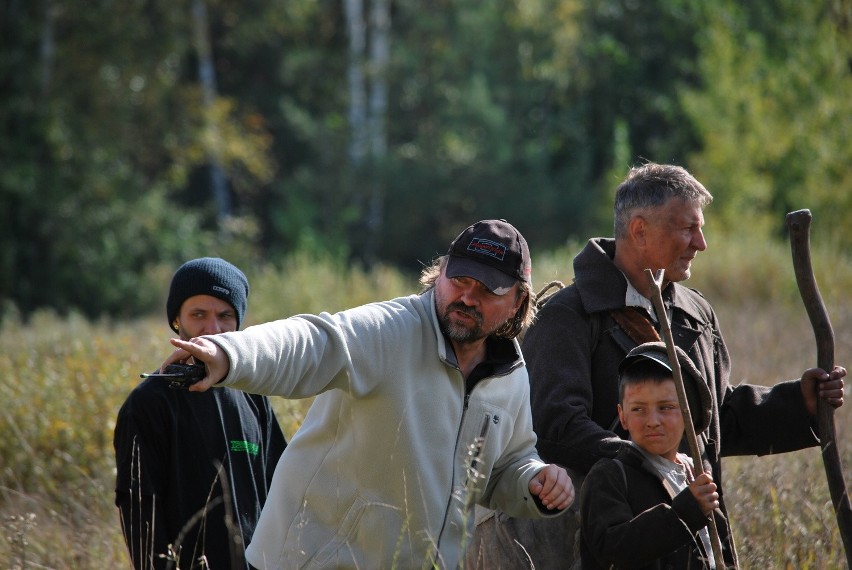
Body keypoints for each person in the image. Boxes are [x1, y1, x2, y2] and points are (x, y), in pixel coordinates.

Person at [466, 162, 845, 569]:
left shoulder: (694, 312)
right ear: (640, 230)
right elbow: (557, 426)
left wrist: (798, 403)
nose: (700, 243)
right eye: (686, 229)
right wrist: (654, 463)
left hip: (687, 537)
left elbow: (711, 421)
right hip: (595, 541)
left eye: (699, 229)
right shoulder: (567, 316)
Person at [157, 219, 575, 570]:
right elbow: (311, 342)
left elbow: (501, 468)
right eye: (459, 279)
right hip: (313, 562)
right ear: (441, 269)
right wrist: (226, 352)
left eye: (487, 290)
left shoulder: (510, 375)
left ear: (519, 300)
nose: (466, 296)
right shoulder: (389, 331)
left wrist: (533, 479)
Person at [114, 257, 287, 570]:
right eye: (198, 315)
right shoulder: (148, 404)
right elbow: (140, 516)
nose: (213, 329)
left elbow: (281, 495)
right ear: (177, 321)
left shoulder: (254, 396)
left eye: (225, 315)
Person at [579, 341, 734, 569]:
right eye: (638, 409)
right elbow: (612, 551)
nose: (652, 421)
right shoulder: (610, 476)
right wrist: (684, 513)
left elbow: (719, 551)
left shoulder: (696, 473)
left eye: (665, 407)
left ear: (687, 412)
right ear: (622, 416)